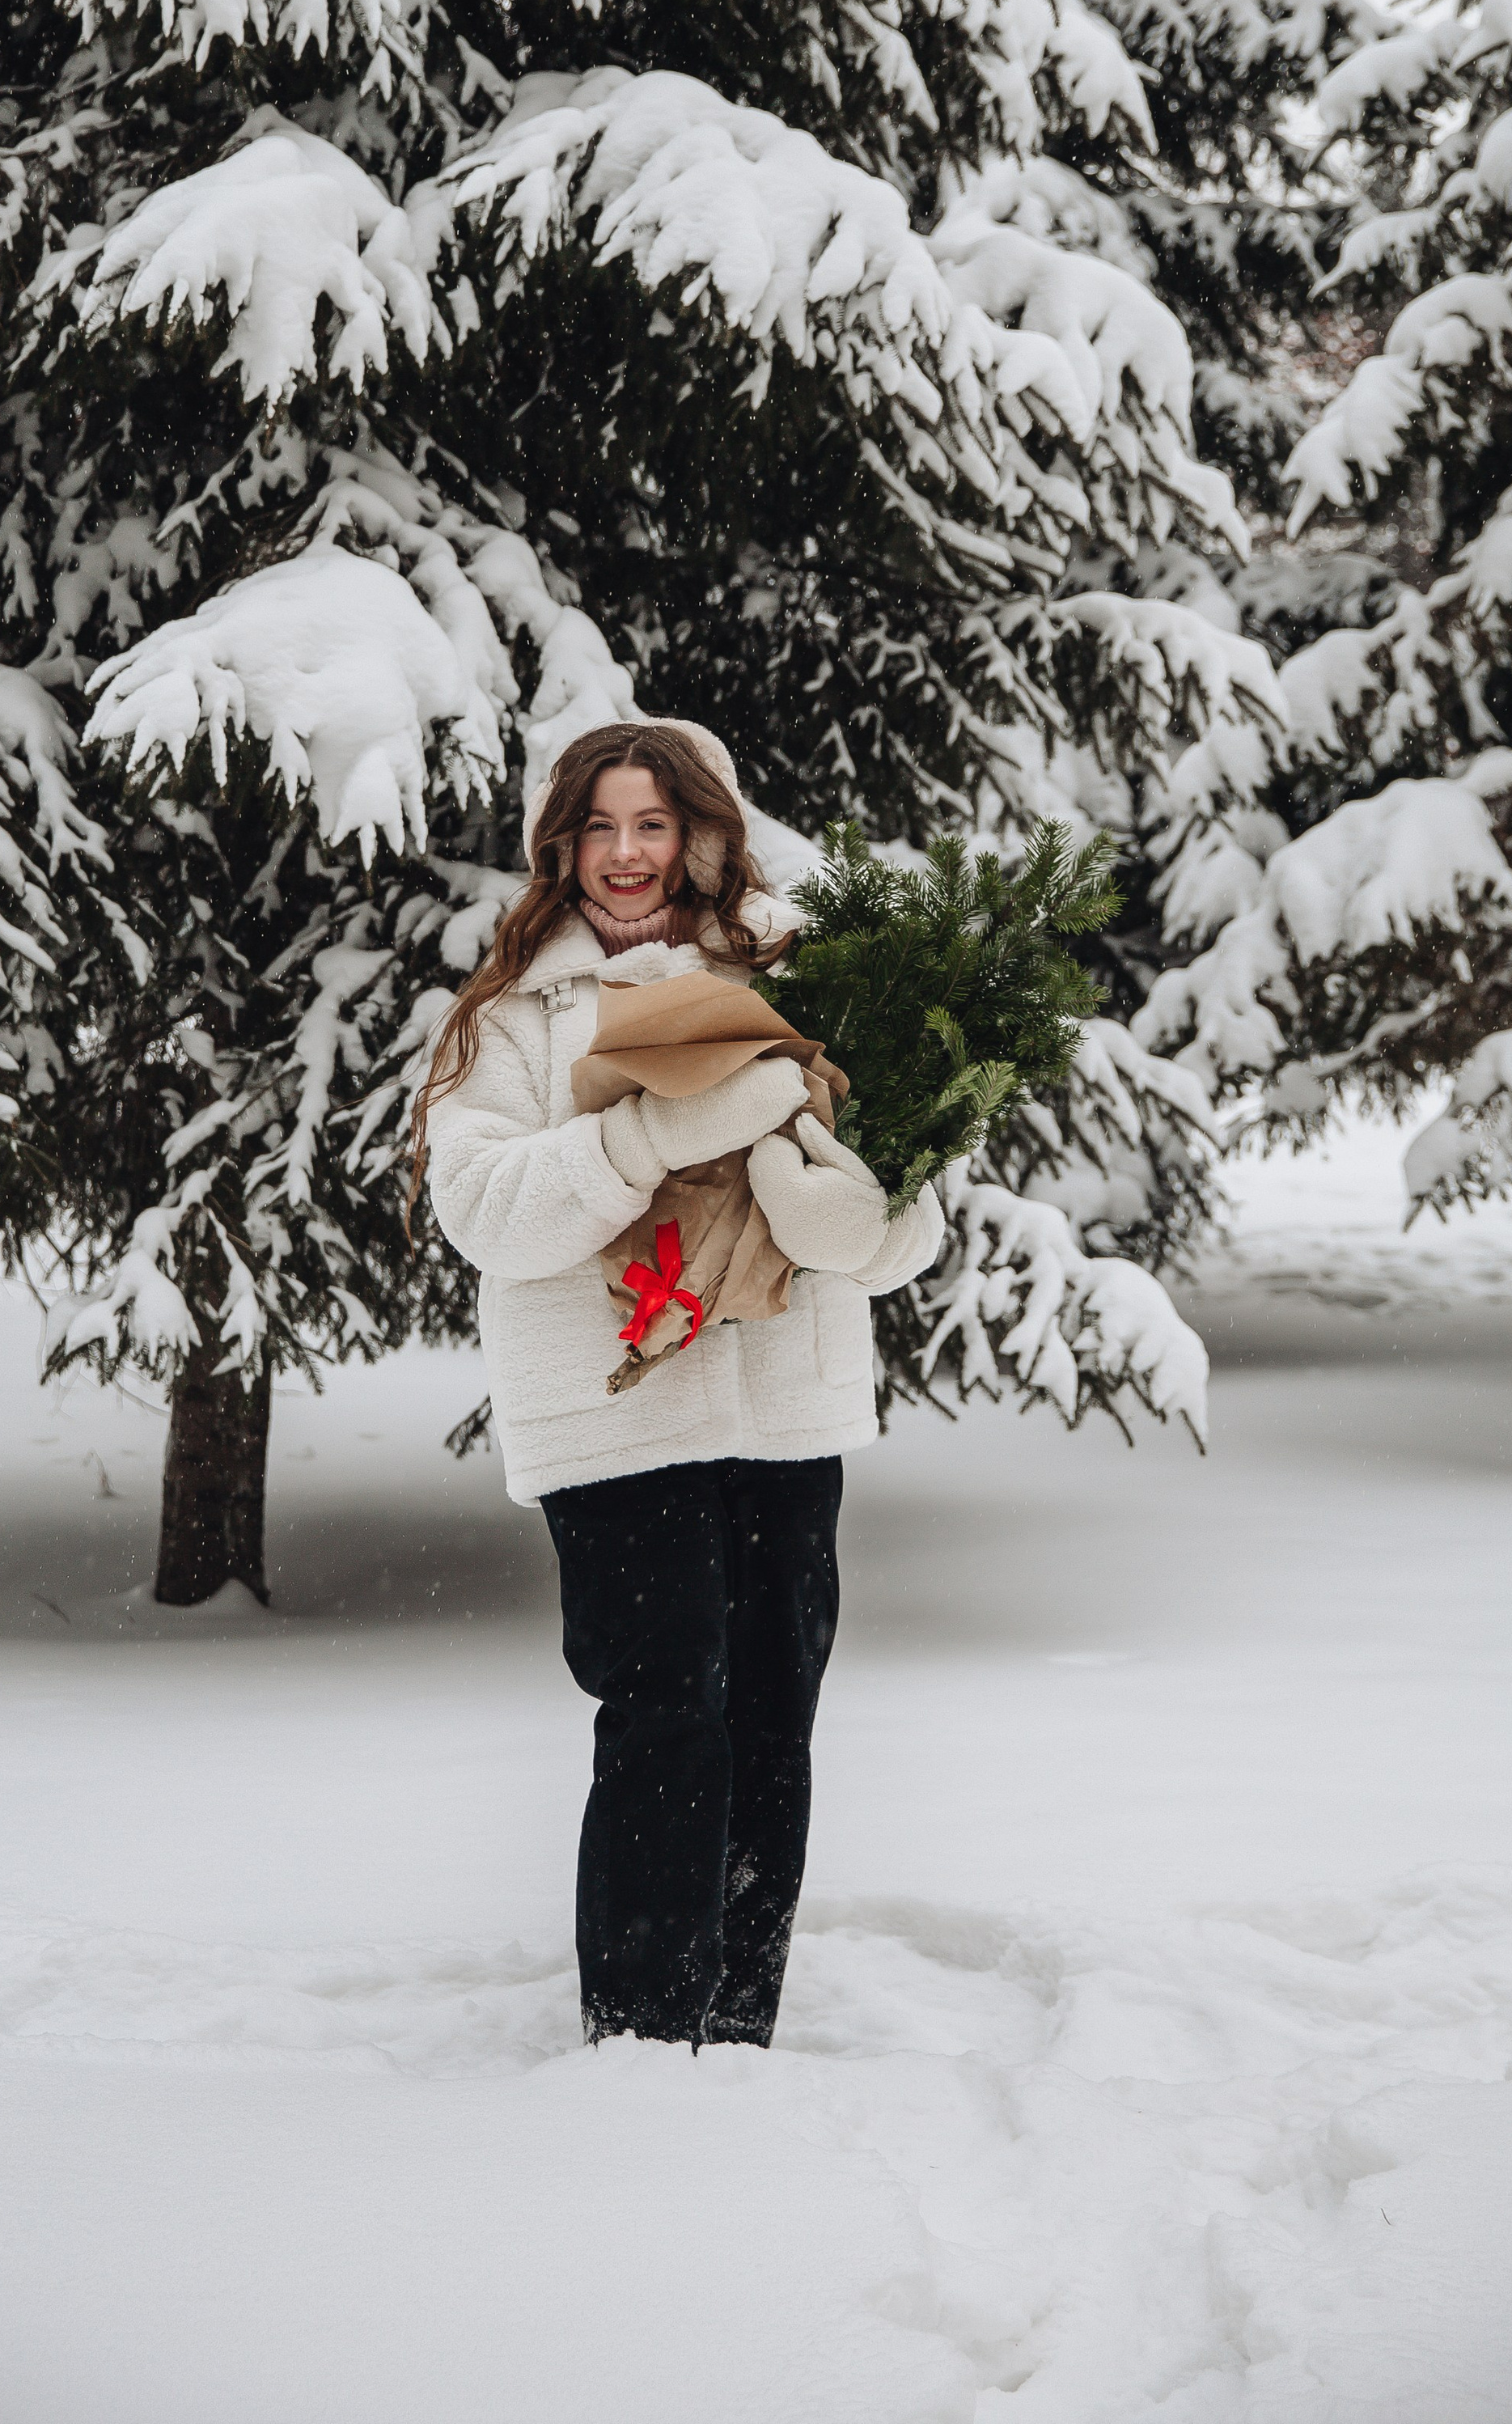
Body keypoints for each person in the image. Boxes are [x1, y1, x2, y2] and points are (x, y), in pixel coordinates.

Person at [413, 719, 944, 2048]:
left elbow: (917, 1199)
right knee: (667, 1713)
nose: (627, 854)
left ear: (706, 832)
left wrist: (859, 1225)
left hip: (784, 1410)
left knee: (772, 1719)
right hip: (615, 1415)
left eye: (653, 824)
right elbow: (484, 1209)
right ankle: (647, 2041)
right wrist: (650, 1131)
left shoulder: (802, 985)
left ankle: (739, 2027)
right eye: (600, 826)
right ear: (561, 843)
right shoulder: (511, 1012)